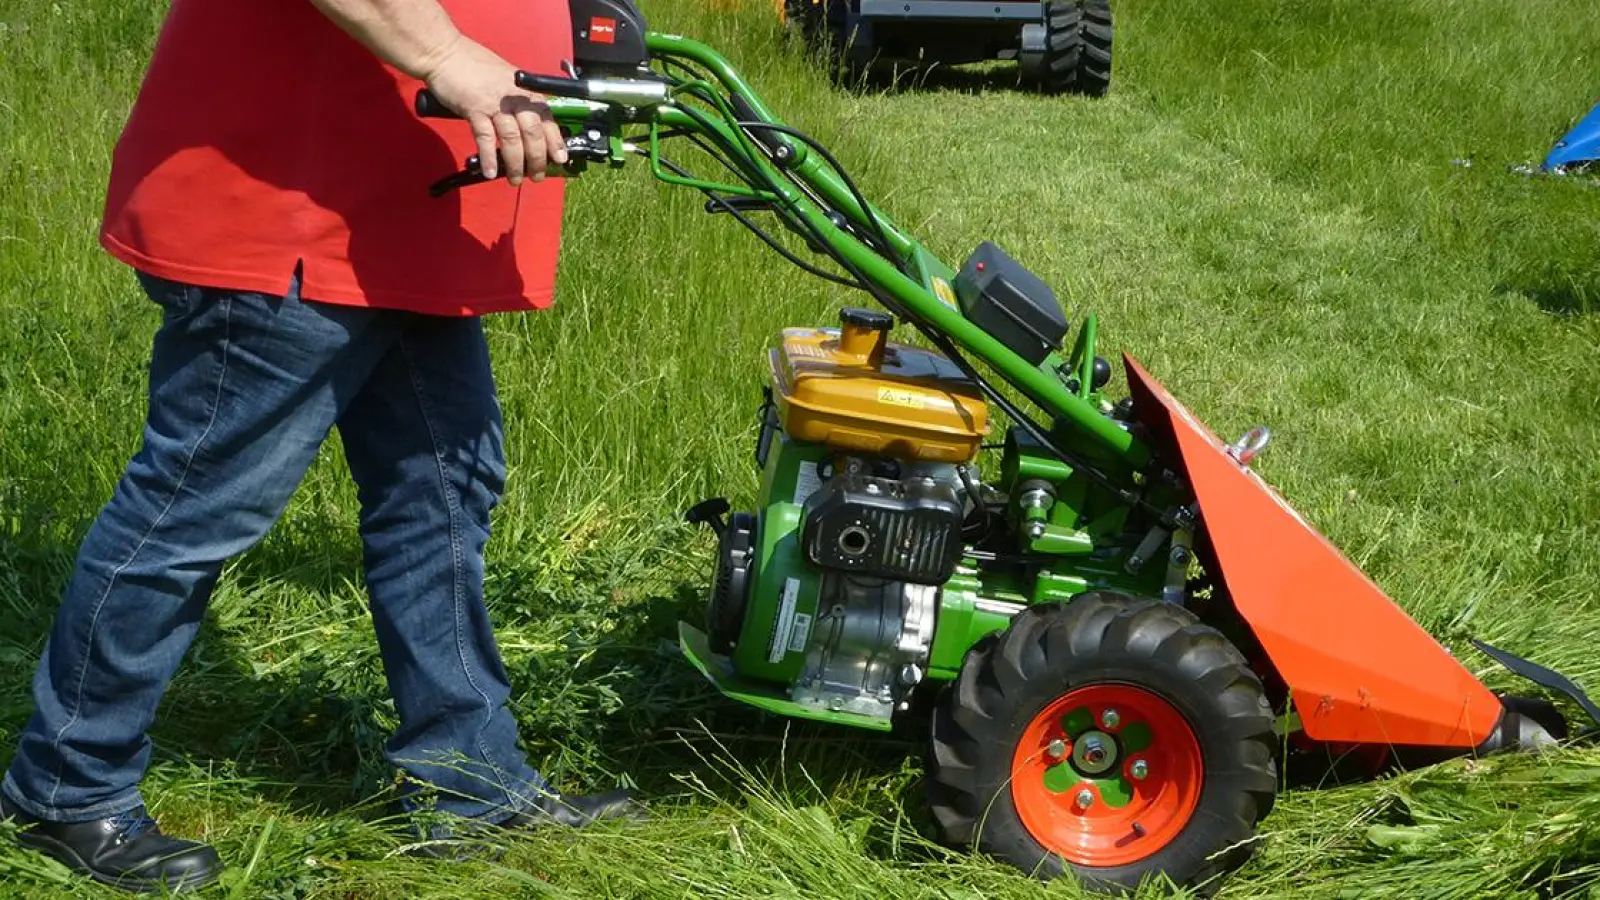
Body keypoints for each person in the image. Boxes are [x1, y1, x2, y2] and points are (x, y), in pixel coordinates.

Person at [0, 0, 638, 892]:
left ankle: (471, 782)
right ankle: (65, 788)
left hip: (399, 217)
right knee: (193, 508)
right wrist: (452, 54)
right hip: (289, 211)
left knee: (443, 495)